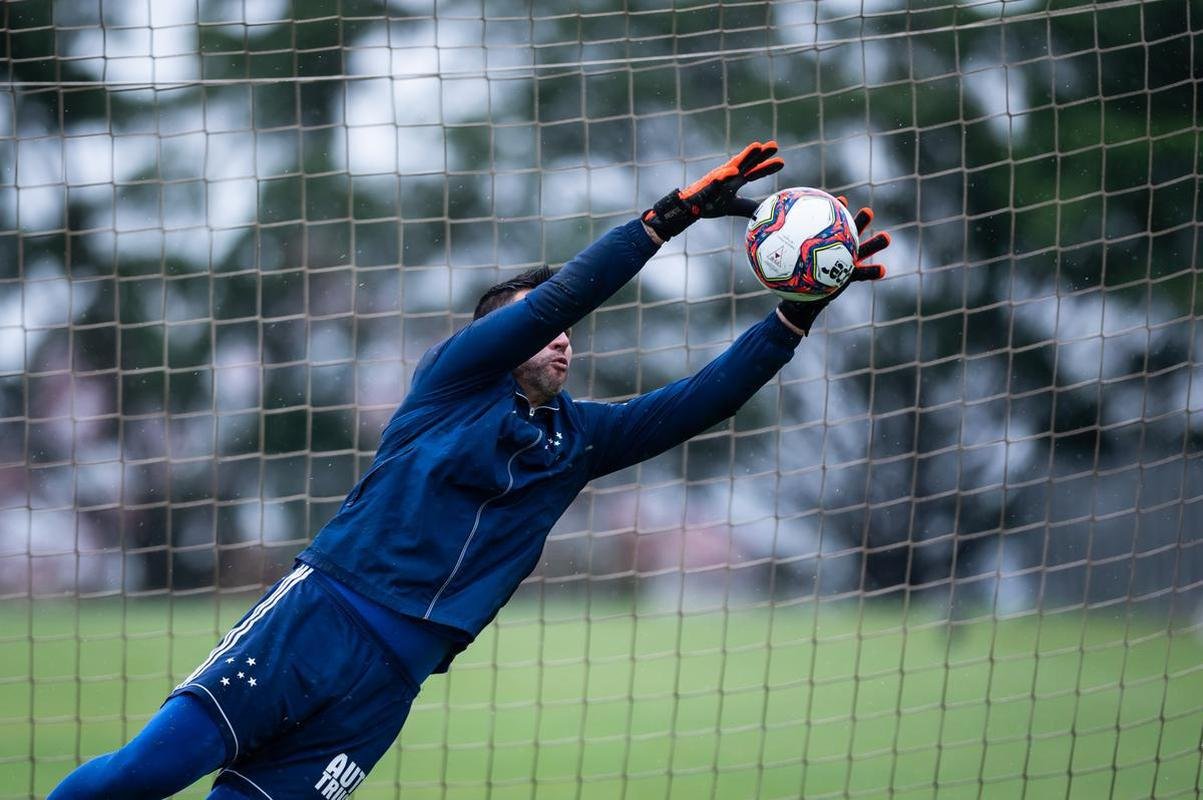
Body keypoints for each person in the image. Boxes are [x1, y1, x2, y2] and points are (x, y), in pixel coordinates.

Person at [48, 141, 890, 799]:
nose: (561, 338)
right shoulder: (453, 381)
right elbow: (562, 296)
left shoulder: (579, 441)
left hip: (387, 685)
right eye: (541, 326)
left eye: (566, 334)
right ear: (497, 336)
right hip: (316, 621)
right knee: (141, 777)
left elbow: (704, 399)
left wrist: (796, 315)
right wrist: (666, 219)